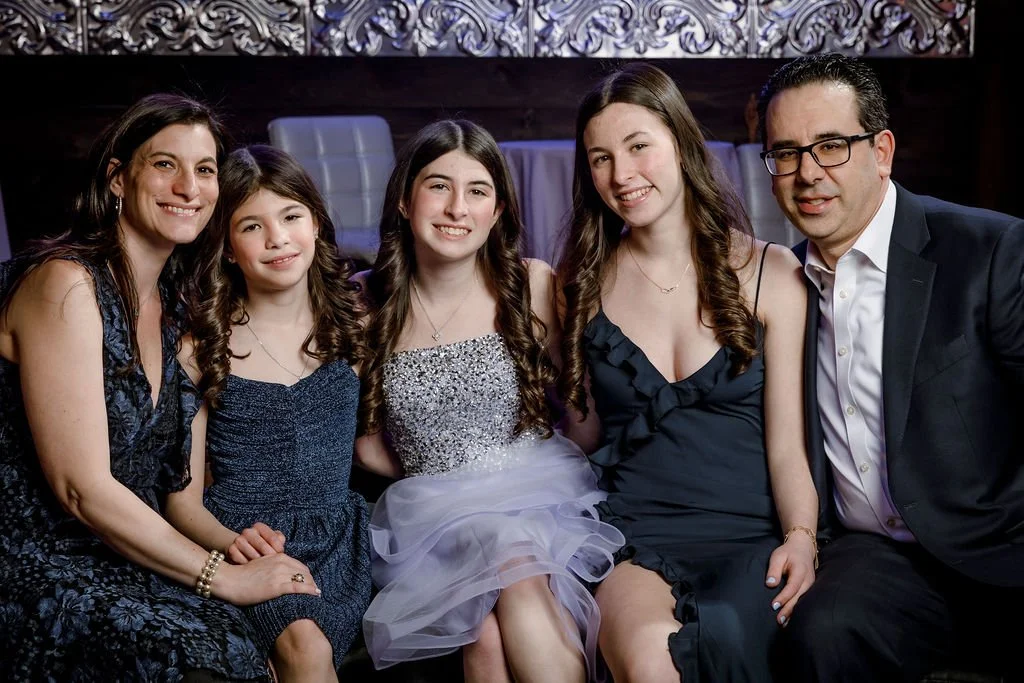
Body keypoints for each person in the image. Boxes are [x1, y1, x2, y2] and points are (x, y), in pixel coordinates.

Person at [0, 94, 322, 681]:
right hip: (35, 563)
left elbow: (174, 490)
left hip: (121, 557)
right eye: (164, 165)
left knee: (253, 647)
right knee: (196, 662)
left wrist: (235, 550)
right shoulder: (67, 284)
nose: (188, 187)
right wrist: (221, 575)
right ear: (119, 178)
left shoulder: (178, 306)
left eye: (204, 170)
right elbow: (81, 489)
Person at [756, 52, 1024, 682]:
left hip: (1003, 546)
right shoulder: (784, 286)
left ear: (881, 151)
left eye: (830, 146)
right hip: (877, 559)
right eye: (786, 153)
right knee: (819, 632)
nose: (807, 173)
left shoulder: (989, 251)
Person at [557, 62, 819, 683]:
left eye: (638, 146)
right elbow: (583, 436)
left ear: (681, 141)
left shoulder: (771, 274)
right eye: (599, 158)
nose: (621, 175)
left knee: (728, 635)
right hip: (632, 533)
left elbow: (787, 447)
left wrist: (803, 536)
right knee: (650, 653)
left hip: (749, 531)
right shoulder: (582, 286)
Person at [354, 118, 624, 683]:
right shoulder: (364, 304)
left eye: (477, 191)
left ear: (497, 210)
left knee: (488, 628)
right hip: (430, 512)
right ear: (405, 200)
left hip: (535, 491)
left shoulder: (531, 284)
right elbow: (367, 446)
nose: (457, 207)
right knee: (489, 601)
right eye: (438, 186)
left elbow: (581, 413)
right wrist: (431, 474)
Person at [164, 144, 372, 682]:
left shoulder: (356, 330)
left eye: (291, 216)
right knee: (305, 646)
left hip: (339, 539)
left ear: (317, 225)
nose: (277, 238)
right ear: (228, 248)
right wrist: (231, 545)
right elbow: (181, 503)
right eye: (252, 226)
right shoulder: (201, 348)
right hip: (243, 540)